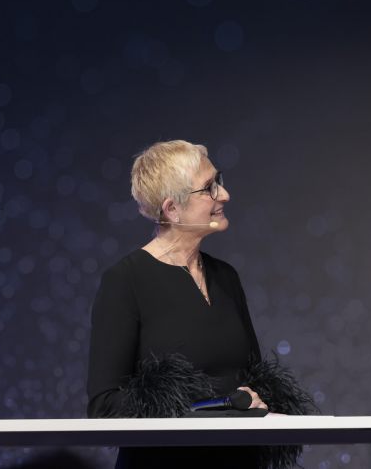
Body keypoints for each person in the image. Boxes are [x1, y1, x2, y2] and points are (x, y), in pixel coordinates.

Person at [87, 140, 313, 469]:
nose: (225, 195)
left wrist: (256, 398)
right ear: (172, 209)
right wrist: (213, 405)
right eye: (209, 188)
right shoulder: (126, 280)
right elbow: (105, 406)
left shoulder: (226, 276)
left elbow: (253, 377)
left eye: (219, 181)